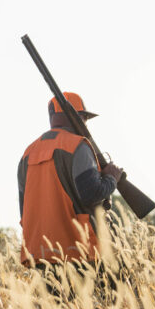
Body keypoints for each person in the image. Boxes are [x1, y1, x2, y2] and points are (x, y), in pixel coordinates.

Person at [17, 92, 124, 292]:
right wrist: (111, 178)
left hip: (41, 252)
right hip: (80, 251)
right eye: (83, 117)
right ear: (74, 116)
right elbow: (92, 194)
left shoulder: (28, 153)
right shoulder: (77, 145)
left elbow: (24, 209)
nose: (85, 123)